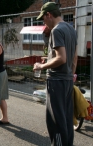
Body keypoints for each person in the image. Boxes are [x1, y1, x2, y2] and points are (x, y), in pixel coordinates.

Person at [33, 2, 77, 146]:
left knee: (56, 121)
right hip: (67, 80)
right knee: (66, 118)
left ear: (49, 14)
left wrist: (41, 65)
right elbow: (73, 56)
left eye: (43, 18)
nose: (44, 22)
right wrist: (71, 74)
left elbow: (61, 58)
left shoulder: (56, 30)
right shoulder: (71, 29)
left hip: (56, 81)